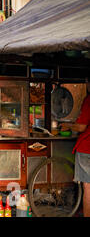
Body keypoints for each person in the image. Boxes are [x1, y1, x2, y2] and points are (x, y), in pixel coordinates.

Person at [61, 79, 90, 217]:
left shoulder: (89, 100)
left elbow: (81, 127)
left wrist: (68, 126)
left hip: (86, 149)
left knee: (88, 187)